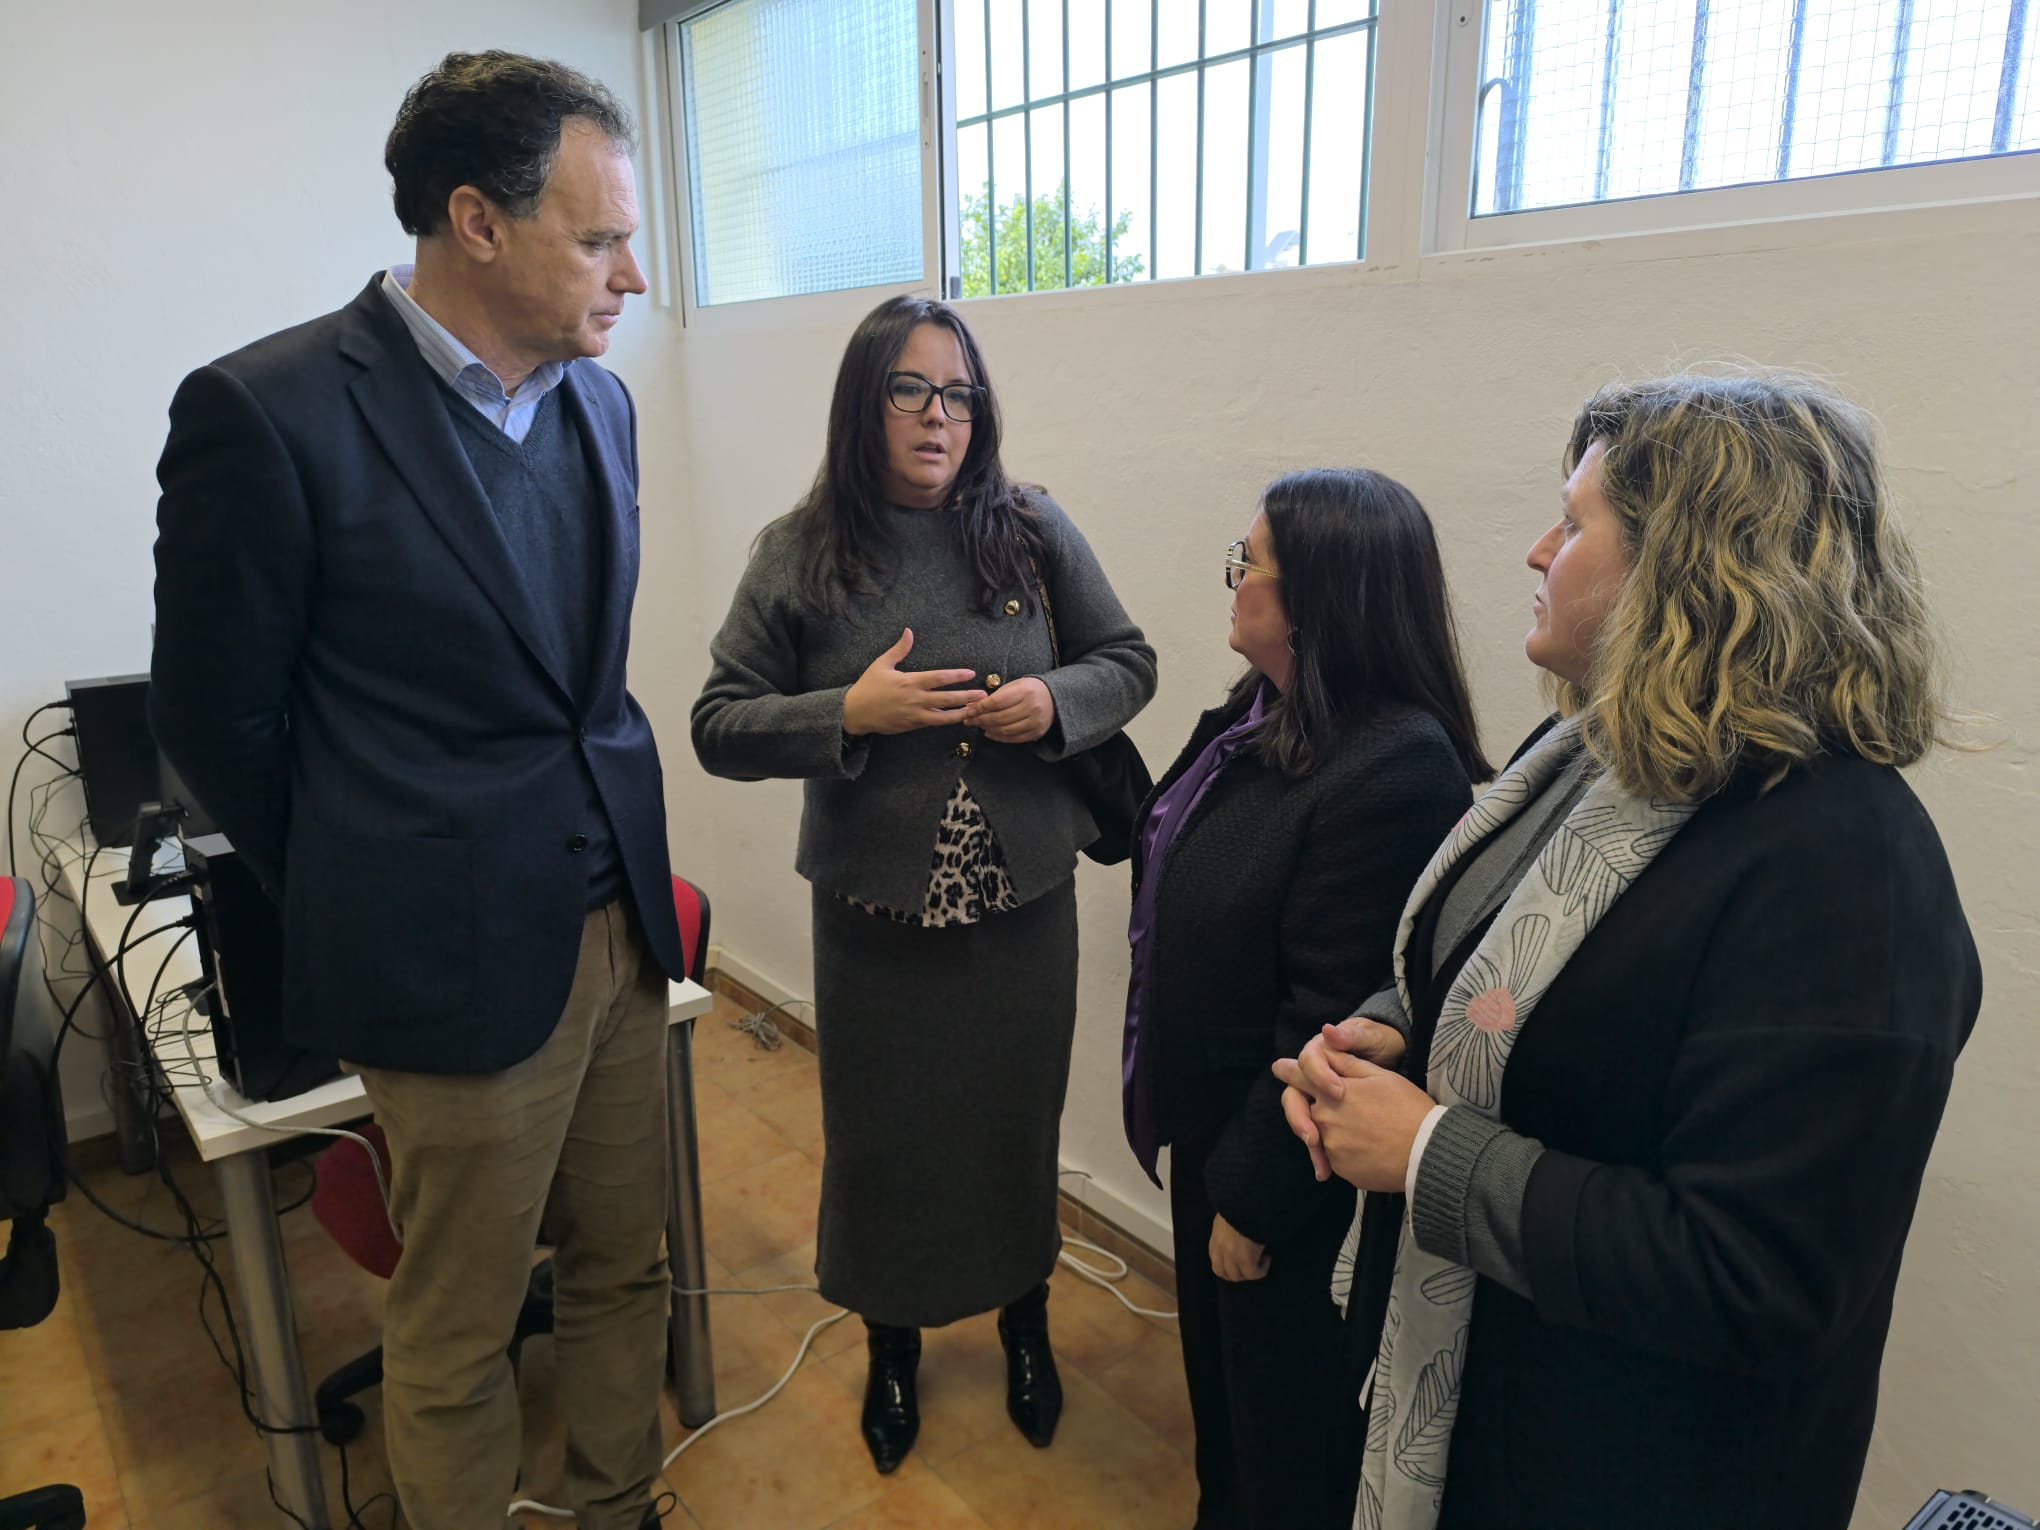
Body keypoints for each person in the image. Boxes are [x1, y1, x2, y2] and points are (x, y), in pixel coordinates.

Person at [1276, 373, 1983, 1530]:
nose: (1536, 551)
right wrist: (1394, 1027)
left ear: (1688, 566)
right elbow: (1507, 969)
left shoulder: (1846, 867)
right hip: (1488, 1402)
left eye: (1572, 523)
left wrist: (1430, 1153)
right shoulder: (1599, 757)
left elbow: (1762, 1277)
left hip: (1632, 1465)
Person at [148, 53, 684, 1530]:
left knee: (624, 1264)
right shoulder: (268, 412)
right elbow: (214, 719)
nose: (633, 275)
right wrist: (368, 865)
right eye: (599, 238)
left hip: (617, 921)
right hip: (441, 952)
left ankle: (620, 1504)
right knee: (458, 1325)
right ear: (477, 222)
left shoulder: (600, 405)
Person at [691, 294, 1157, 1475]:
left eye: (959, 394)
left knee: (1014, 1127)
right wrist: (848, 711)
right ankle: (891, 1343)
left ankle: (1024, 1321)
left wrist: (1055, 701)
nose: (938, 416)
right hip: (873, 918)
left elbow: (1128, 661)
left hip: (1023, 908)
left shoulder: (1031, 530)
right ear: (866, 403)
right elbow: (718, 724)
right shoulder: (800, 552)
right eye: (912, 390)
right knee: (883, 1143)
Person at [1127, 470, 1488, 1530]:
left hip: (1289, 1169)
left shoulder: (1396, 768)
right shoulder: (1257, 712)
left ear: (1321, 596)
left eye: (1249, 563)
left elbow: (1334, 1021)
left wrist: (1252, 1199)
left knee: (1281, 1440)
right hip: (1213, 1126)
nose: (1232, 580)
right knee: (1226, 1413)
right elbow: (1161, 844)